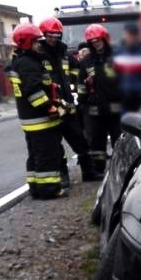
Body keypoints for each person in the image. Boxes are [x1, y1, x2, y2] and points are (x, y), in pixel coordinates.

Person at [38, 17, 101, 185]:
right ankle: (63, 178)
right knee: (56, 147)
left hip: (68, 107)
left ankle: (89, 173)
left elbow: (79, 70)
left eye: (56, 35)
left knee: (81, 141)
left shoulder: (64, 55)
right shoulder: (37, 57)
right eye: (50, 35)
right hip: (50, 109)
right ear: (43, 35)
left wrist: (77, 83)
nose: (53, 39)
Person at [6, 23, 65, 200]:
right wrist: (50, 107)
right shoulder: (28, 63)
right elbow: (34, 91)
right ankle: (49, 190)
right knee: (47, 155)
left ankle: (36, 188)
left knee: (35, 156)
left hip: (31, 121)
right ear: (25, 43)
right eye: (35, 42)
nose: (39, 45)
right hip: (40, 119)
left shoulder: (20, 62)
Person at [78, 23, 122, 173]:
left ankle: (120, 168)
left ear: (104, 39)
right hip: (94, 110)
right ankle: (98, 170)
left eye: (98, 40)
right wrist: (83, 103)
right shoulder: (86, 61)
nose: (96, 43)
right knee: (96, 143)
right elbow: (81, 85)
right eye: (93, 41)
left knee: (119, 140)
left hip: (116, 108)